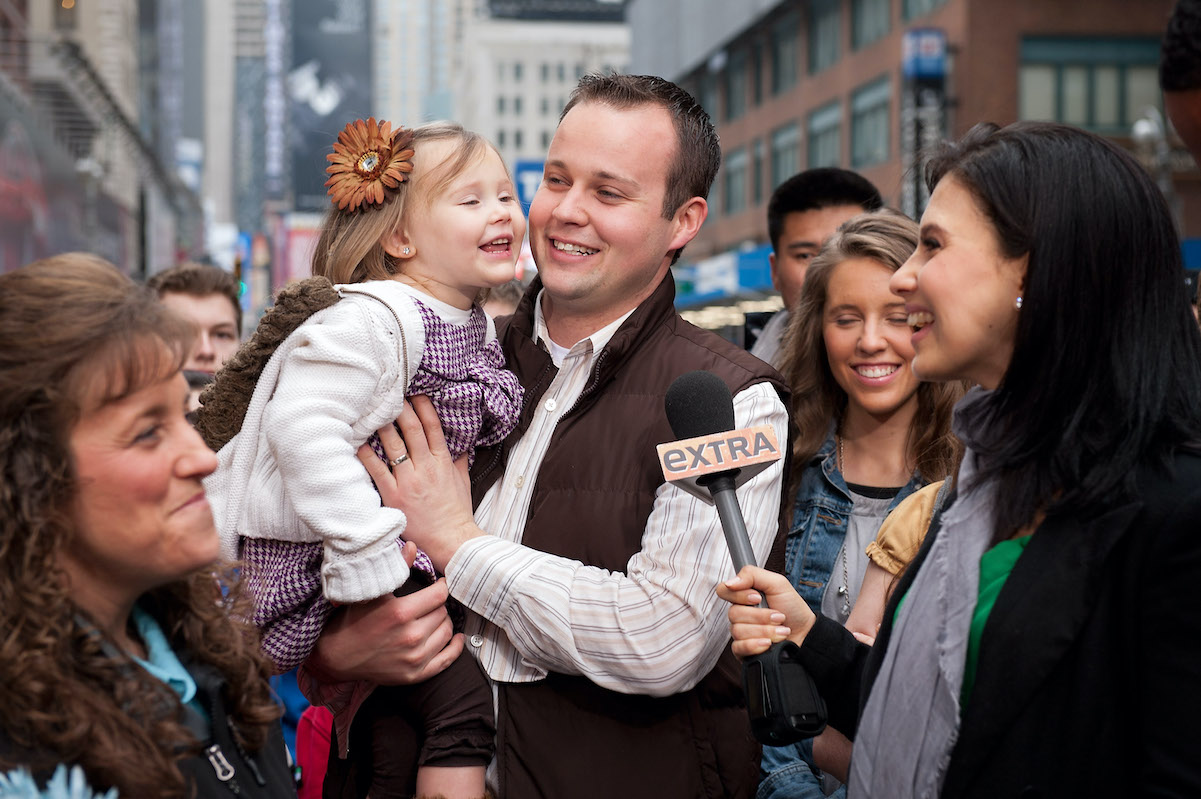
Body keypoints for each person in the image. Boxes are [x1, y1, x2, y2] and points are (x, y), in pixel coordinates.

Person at [322, 74, 792, 799]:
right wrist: (334, 652)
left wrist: (458, 543)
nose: (566, 213)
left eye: (608, 193)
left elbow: (663, 638)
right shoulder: (436, 360)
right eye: (555, 179)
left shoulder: (733, 399)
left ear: (682, 221)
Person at [720, 121, 1201, 798]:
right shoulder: (976, 486)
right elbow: (919, 714)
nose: (907, 276)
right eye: (845, 316)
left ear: (1033, 270)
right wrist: (807, 633)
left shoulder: (1174, 516)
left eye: (933, 245)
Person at [199, 118, 524, 799]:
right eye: (470, 200)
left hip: (373, 560)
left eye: (505, 194)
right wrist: (365, 547)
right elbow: (301, 426)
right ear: (400, 239)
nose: (501, 213)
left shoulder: (467, 322)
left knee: (399, 722)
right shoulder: (373, 319)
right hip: (312, 556)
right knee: (463, 700)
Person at [0, 253, 294, 798]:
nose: (201, 458)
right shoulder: (23, 758)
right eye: (146, 433)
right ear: (28, 475)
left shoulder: (202, 650)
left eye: (182, 415)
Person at [759, 211, 962, 798]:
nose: (871, 340)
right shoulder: (775, 473)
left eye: (897, 318)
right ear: (818, 330)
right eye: (846, 318)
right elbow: (749, 684)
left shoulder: (972, 486)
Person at [746, 168, 883, 367]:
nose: (825, 272)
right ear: (775, 272)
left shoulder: (928, 371)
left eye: (850, 249)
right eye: (805, 255)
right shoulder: (740, 386)